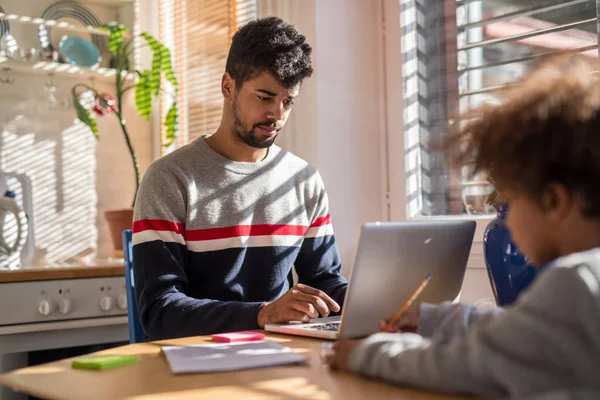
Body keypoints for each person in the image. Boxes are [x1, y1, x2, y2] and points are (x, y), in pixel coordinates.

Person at [327, 54, 600, 399]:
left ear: (554, 202)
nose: (506, 216)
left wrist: (365, 354)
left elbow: (469, 365)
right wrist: (434, 320)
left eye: (511, 201)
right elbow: (519, 335)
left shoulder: (577, 282)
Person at [132, 17, 347, 340]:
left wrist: (382, 305)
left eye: (287, 102)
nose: (277, 114)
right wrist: (262, 314)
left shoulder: (303, 180)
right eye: (264, 97)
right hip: (194, 361)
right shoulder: (169, 179)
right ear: (228, 86)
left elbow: (324, 283)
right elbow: (160, 312)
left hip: (282, 357)